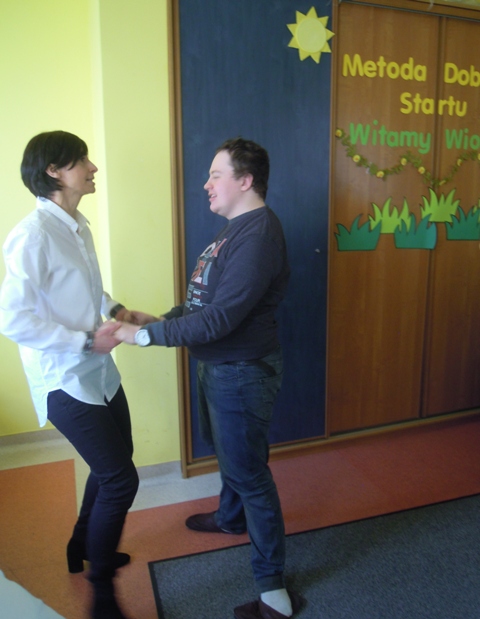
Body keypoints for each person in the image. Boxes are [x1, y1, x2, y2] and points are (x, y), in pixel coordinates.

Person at [115, 137, 304, 619]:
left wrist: (141, 337)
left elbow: (220, 319)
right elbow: (204, 303)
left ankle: (274, 592)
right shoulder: (235, 230)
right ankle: (228, 518)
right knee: (232, 458)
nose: (206, 184)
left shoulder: (258, 236)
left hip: (241, 372)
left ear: (245, 180)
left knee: (250, 475)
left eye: (216, 175)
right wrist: (158, 321)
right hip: (221, 367)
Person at [0, 131, 138, 619]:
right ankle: (102, 593)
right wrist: (82, 341)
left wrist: (116, 309)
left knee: (115, 462)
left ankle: (80, 546)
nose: (93, 167)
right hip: (64, 377)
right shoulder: (33, 235)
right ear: (54, 171)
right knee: (121, 480)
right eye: (82, 160)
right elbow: (11, 318)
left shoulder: (77, 225)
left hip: (99, 370)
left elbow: (87, 288)